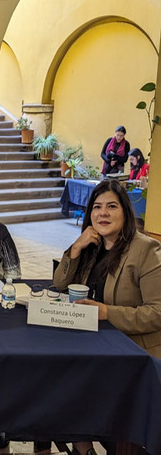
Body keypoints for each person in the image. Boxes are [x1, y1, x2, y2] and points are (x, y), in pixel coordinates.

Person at [53, 179, 161, 455]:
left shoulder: (146, 250)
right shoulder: (93, 246)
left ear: (125, 211)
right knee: (56, 374)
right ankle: (83, 445)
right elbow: (60, 283)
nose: (103, 213)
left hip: (134, 354)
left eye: (111, 206)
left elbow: (157, 313)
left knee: (73, 381)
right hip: (97, 344)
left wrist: (106, 312)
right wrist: (76, 247)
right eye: (97, 207)